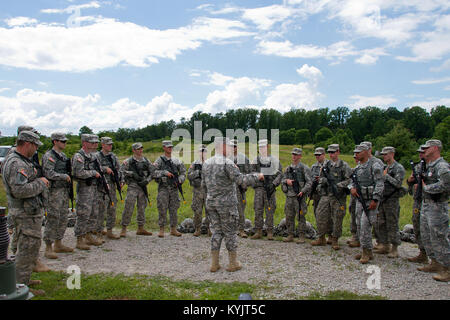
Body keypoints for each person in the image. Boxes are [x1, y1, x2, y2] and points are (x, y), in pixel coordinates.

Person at [1, 131, 49, 296]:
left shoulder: (19, 160)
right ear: (27, 144)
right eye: (35, 146)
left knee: (27, 248)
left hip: (27, 212)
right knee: (26, 250)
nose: (36, 149)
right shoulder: (17, 163)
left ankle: (23, 280)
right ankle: (19, 286)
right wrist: (41, 183)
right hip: (24, 213)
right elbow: (19, 190)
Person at [202, 137, 257, 272]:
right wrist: (257, 176)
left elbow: (204, 184)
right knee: (230, 232)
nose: (231, 149)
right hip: (226, 204)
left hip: (211, 203)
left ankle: (214, 264)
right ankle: (233, 263)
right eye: (229, 146)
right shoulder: (227, 163)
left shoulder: (207, 163)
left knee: (216, 232)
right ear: (222, 146)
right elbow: (241, 180)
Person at [416, 140, 449, 282]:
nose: (424, 150)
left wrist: (427, 188)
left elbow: (446, 184)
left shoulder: (442, 166)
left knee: (439, 236)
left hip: (437, 205)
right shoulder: (429, 165)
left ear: (435, 148)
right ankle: (434, 262)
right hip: (427, 204)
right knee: (426, 234)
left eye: (427, 148)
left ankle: (446, 268)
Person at [312, 144, 352, 250]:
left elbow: (350, 180)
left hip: (338, 196)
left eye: (333, 152)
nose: (331, 155)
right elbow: (321, 178)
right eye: (329, 152)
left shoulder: (344, 165)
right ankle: (321, 237)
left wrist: (339, 185)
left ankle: (335, 239)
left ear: (338, 152)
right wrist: (324, 181)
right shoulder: (326, 165)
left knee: (337, 217)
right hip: (326, 194)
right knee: (320, 214)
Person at [349, 144, 384, 264]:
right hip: (360, 200)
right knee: (359, 224)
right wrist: (351, 188)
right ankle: (366, 250)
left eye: (359, 152)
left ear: (366, 152)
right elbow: (351, 180)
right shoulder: (358, 167)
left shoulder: (375, 165)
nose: (356, 154)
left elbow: (380, 183)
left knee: (365, 225)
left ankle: (366, 251)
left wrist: (375, 199)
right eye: (355, 152)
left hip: (370, 201)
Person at [41, 132, 74, 259]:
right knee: (53, 218)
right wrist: (63, 176)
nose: (64, 143)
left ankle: (59, 243)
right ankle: (49, 246)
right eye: (62, 141)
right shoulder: (49, 156)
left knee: (63, 217)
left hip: (64, 191)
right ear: (55, 141)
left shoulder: (63, 156)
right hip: (54, 191)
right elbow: (48, 173)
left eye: (65, 141)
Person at [72, 134, 103, 250]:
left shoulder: (93, 156)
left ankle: (89, 234)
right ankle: (80, 238)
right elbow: (78, 173)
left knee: (94, 212)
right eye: (92, 142)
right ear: (84, 143)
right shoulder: (79, 156)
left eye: (95, 142)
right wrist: (92, 173)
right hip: (85, 188)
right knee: (83, 213)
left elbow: (99, 170)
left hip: (94, 188)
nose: (94, 144)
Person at [375, 147, 405, 258]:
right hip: (382, 199)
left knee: (392, 223)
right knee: (381, 223)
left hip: (392, 200)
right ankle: (384, 244)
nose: (384, 156)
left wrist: (386, 176)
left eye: (386, 154)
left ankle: (394, 247)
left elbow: (398, 183)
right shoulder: (384, 167)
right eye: (383, 154)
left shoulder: (398, 168)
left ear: (392, 154)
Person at [250, 139, 282, 240]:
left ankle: (270, 232)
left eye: (263, 147)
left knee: (270, 210)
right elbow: (251, 173)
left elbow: (280, 174)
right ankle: (258, 231)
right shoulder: (256, 160)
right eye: (260, 147)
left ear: (267, 147)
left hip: (270, 189)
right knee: (258, 209)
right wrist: (258, 175)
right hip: (259, 189)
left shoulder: (274, 160)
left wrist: (274, 184)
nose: (262, 149)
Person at [119, 143, 154, 237]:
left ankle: (141, 228)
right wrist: (129, 175)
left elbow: (153, 172)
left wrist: (147, 181)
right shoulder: (128, 161)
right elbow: (121, 172)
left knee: (142, 207)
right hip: (132, 186)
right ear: (133, 150)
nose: (140, 150)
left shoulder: (146, 161)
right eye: (138, 149)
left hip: (142, 187)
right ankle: (124, 228)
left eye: (141, 149)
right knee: (128, 206)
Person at [153, 140, 186, 238]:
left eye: (171, 147)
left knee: (174, 209)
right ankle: (161, 229)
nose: (170, 148)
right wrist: (164, 173)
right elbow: (153, 173)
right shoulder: (159, 160)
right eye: (168, 147)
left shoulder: (177, 160)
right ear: (163, 147)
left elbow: (184, 173)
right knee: (162, 208)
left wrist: (180, 180)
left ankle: (173, 229)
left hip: (174, 188)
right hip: (163, 188)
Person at [281, 148, 312, 244]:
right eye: (293, 154)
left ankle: (301, 236)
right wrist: (287, 181)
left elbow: (309, 182)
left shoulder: (304, 168)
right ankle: (290, 234)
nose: (294, 156)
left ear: (300, 156)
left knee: (301, 216)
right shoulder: (288, 169)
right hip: (290, 196)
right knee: (289, 215)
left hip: (300, 196)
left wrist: (303, 191)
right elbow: (282, 180)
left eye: (296, 155)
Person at [95, 137, 123, 240]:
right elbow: (94, 168)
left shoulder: (113, 156)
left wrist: (121, 181)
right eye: (108, 144)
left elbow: (119, 170)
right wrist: (104, 169)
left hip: (112, 185)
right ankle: (98, 232)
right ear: (102, 145)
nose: (110, 146)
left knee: (112, 208)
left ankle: (110, 230)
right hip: (101, 186)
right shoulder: (96, 156)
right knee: (101, 210)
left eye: (111, 144)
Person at [406, 145, 428, 263]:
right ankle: (422, 252)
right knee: (417, 223)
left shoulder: (435, 166)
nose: (420, 154)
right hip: (418, 200)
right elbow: (411, 182)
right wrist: (410, 182)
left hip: (431, 201)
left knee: (430, 229)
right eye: (419, 152)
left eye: (423, 152)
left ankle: (438, 259)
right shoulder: (418, 166)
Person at [187, 144, 210, 237]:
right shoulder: (194, 164)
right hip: (197, 191)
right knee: (197, 211)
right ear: (198, 152)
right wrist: (197, 172)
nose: (202, 153)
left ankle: (210, 229)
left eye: (204, 151)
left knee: (210, 211)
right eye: (201, 151)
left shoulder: (210, 163)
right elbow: (189, 176)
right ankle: (197, 229)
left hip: (208, 191)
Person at [231, 139, 251, 238]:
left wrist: (244, 183)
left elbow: (249, 173)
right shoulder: (224, 158)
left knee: (240, 209)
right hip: (228, 188)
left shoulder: (244, 158)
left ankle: (241, 229)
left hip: (239, 188)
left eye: (234, 146)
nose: (233, 148)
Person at [347, 153, 360, 247]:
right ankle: (354, 236)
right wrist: (351, 188)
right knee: (353, 216)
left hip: (362, 197)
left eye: (357, 157)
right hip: (353, 197)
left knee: (361, 219)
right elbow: (349, 181)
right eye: (354, 157)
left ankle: (359, 238)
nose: (356, 159)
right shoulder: (355, 169)